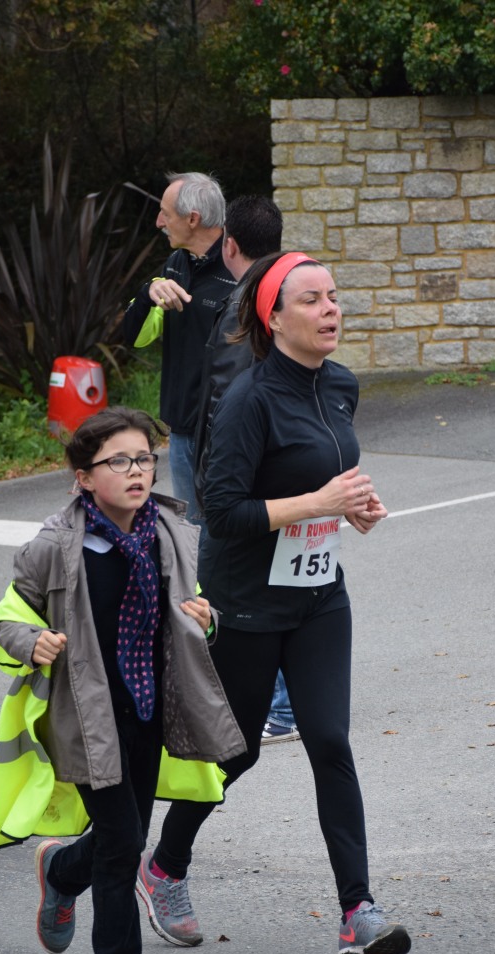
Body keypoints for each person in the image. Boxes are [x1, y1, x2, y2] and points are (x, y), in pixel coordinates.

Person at [140, 251, 412, 954]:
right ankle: (162, 866)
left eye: (334, 296)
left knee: (329, 740)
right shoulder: (248, 401)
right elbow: (224, 512)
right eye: (312, 300)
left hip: (318, 598)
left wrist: (350, 506)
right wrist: (317, 501)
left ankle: (358, 912)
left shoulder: (340, 385)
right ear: (275, 317)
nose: (331, 309)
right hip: (246, 602)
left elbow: (326, 471)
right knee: (233, 752)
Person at [0, 407, 244, 954]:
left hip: (150, 709)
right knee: (124, 842)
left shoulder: (171, 534)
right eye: (119, 461)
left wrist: (206, 619)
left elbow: (193, 610)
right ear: (83, 478)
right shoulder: (54, 548)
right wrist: (31, 642)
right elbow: (4, 621)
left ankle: (62, 868)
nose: (137, 471)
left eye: (145, 458)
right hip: (85, 717)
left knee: (119, 838)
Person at [192, 193, 298, 746]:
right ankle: (284, 703)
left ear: (229, 245)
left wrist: (214, 480)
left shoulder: (246, 303)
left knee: (238, 588)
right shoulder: (288, 296)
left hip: (246, 476)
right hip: (284, 467)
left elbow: (226, 400)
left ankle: (274, 708)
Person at [121, 172, 234, 512]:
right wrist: (148, 293)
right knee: (191, 529)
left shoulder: (240, 267)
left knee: (227, 526)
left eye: (165, 214)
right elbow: (135, 338)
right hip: (183, 430)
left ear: (193, 219)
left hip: (228, 431)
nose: (159, 223)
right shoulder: (176, 263)